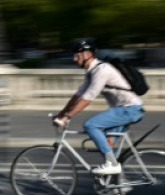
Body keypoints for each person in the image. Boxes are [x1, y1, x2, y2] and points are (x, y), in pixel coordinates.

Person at [53, 38, 144, 175]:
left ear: (87, 54)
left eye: (77, 55)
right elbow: (78, 96)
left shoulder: (102, 70)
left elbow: (87, 98)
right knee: (107, 147)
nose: (74, 59)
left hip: (128, 108)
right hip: (122, 109)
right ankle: (119, 184)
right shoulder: (92, 72)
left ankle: (112, 165)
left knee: (91, 125)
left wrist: (67, 116)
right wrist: (61, 113)